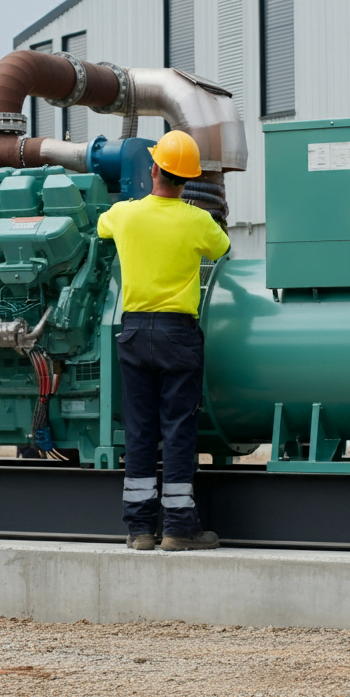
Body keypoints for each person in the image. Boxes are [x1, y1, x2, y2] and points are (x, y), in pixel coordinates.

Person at [97, 130, 230, 551]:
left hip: (134, 330)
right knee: (177, 431)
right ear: (186, 181)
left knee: (139, 431)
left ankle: (139, 531)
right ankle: (177, 529)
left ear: (153, 169)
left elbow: (100, 229)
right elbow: (222, 248)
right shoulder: (197, 221)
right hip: (178, 334)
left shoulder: (124, 214)